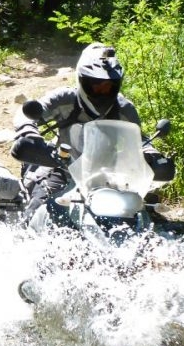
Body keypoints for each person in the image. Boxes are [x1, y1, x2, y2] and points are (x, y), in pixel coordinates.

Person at [10, 42, 175, 221]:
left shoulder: (123, 108)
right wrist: (29, 133)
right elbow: (27, 114)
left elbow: (137, 139)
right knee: (40, 205)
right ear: (81, 79)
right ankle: (25, 241)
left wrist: (150, 154)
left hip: (108, 177)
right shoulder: (65, 99)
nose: (102, 91)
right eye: (96, 85)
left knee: (139, 217)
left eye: (108, 86)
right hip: (62, 168)